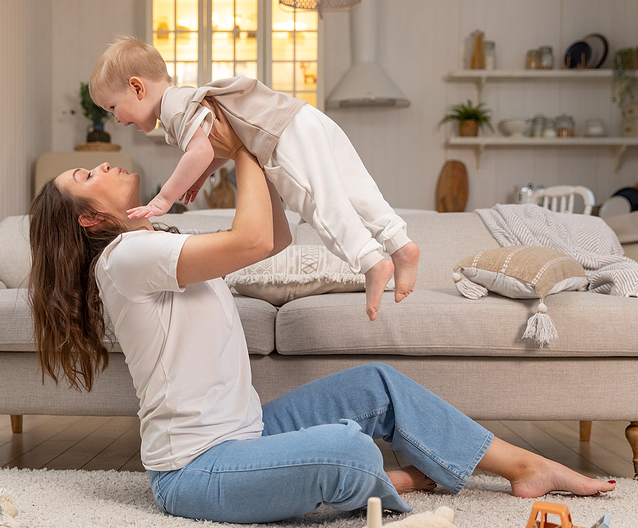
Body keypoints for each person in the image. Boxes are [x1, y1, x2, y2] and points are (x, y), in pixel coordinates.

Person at [27, 100, 615, 525]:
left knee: (377, 385)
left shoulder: (156, 242)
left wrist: (249, 146)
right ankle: (397, 480)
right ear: (89, 220)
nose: (101, 166)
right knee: (350, 449)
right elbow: (253, 240)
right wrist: (241, 146)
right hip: (195, 472)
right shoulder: (126, 258)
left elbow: (275, 237)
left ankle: (523, 467)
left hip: (246, 433)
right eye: (87, 175)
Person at [88, 36, 419, 321]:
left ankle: (370, 261)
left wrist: (164, 198)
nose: (115, 119)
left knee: (320, 201)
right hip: (302, 117)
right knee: (355, 188)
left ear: (137, 87)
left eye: (113, 107)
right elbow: (216, 147)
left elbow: (201, 151)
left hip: (282, 135)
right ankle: (399, 244)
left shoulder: (173, 109)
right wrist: (202, 175)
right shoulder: (186, 98)